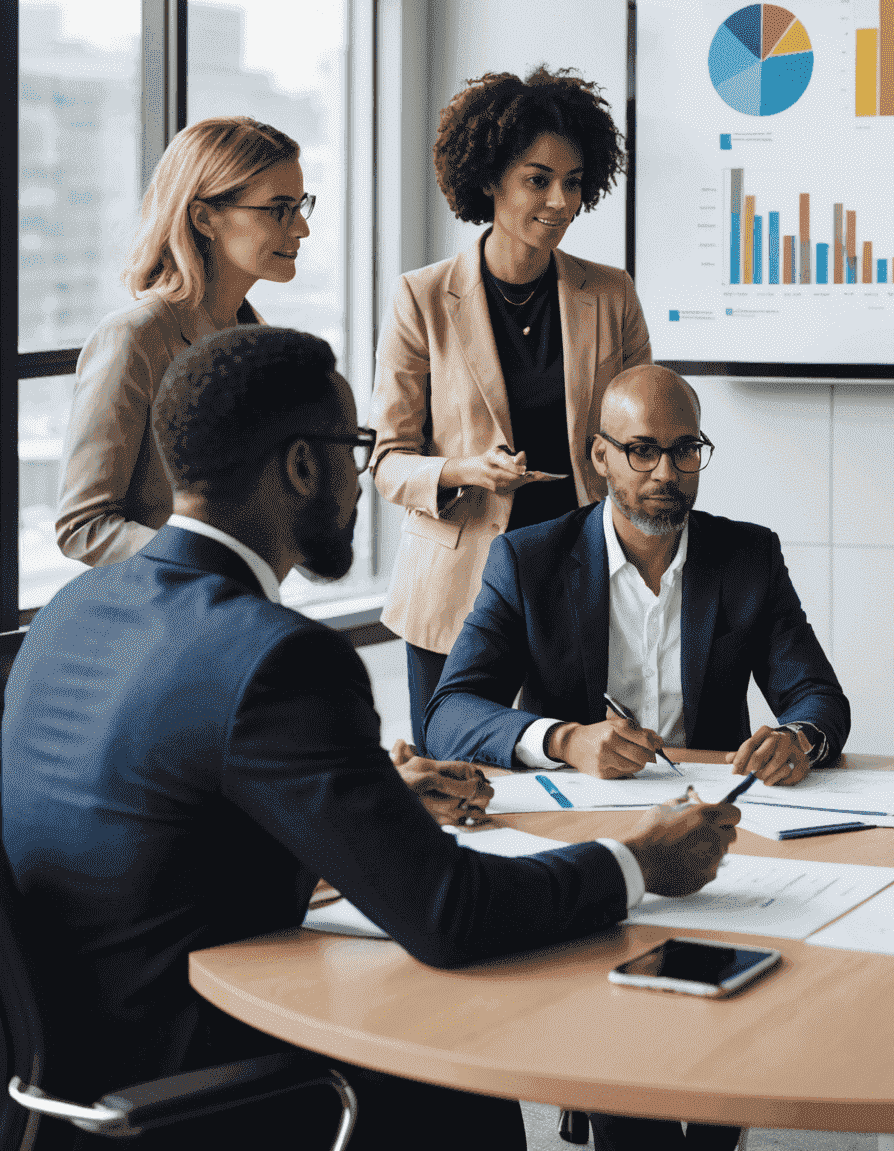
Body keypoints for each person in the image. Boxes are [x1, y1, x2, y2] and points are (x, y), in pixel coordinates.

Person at [3, 327, 739, 1151]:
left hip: (66, 1086)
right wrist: (641, 859)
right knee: (457, 1055)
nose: (363, 479)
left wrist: (372, 811)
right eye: (355, 449)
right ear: (302, 466)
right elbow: (451, 914)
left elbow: (165, 833)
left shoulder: (73, 611)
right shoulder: (280, 655)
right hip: (206, 1091)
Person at [370, 68, 651, 747]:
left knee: (580, 768)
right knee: (457, 771)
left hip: (577, 579)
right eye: (538, 179)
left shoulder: (610, 295)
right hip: (456, 587)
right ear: (489, 178)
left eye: (575, 181)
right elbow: (387, 462)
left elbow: (647, 432)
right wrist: (466, 468)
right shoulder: (423, 298)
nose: (561, 200)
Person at [426, 364, 851, 786]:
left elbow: (817, 697)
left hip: (711, 810)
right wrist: (565, 740)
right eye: (643, 451)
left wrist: (796, 738)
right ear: (600, 456)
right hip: (579, 812)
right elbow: (449, 714)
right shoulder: (528, 562)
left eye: (685, 449)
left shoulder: (748, 558)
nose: (666, 474)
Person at [54, 115, 310, 566]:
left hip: (238, 608)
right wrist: (209, 566)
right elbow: (83, 526)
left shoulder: (258, 342)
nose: (302, 228)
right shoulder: (135, 339)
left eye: (301, 205)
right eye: (278, 208)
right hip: (162, 619)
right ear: (205, 217)